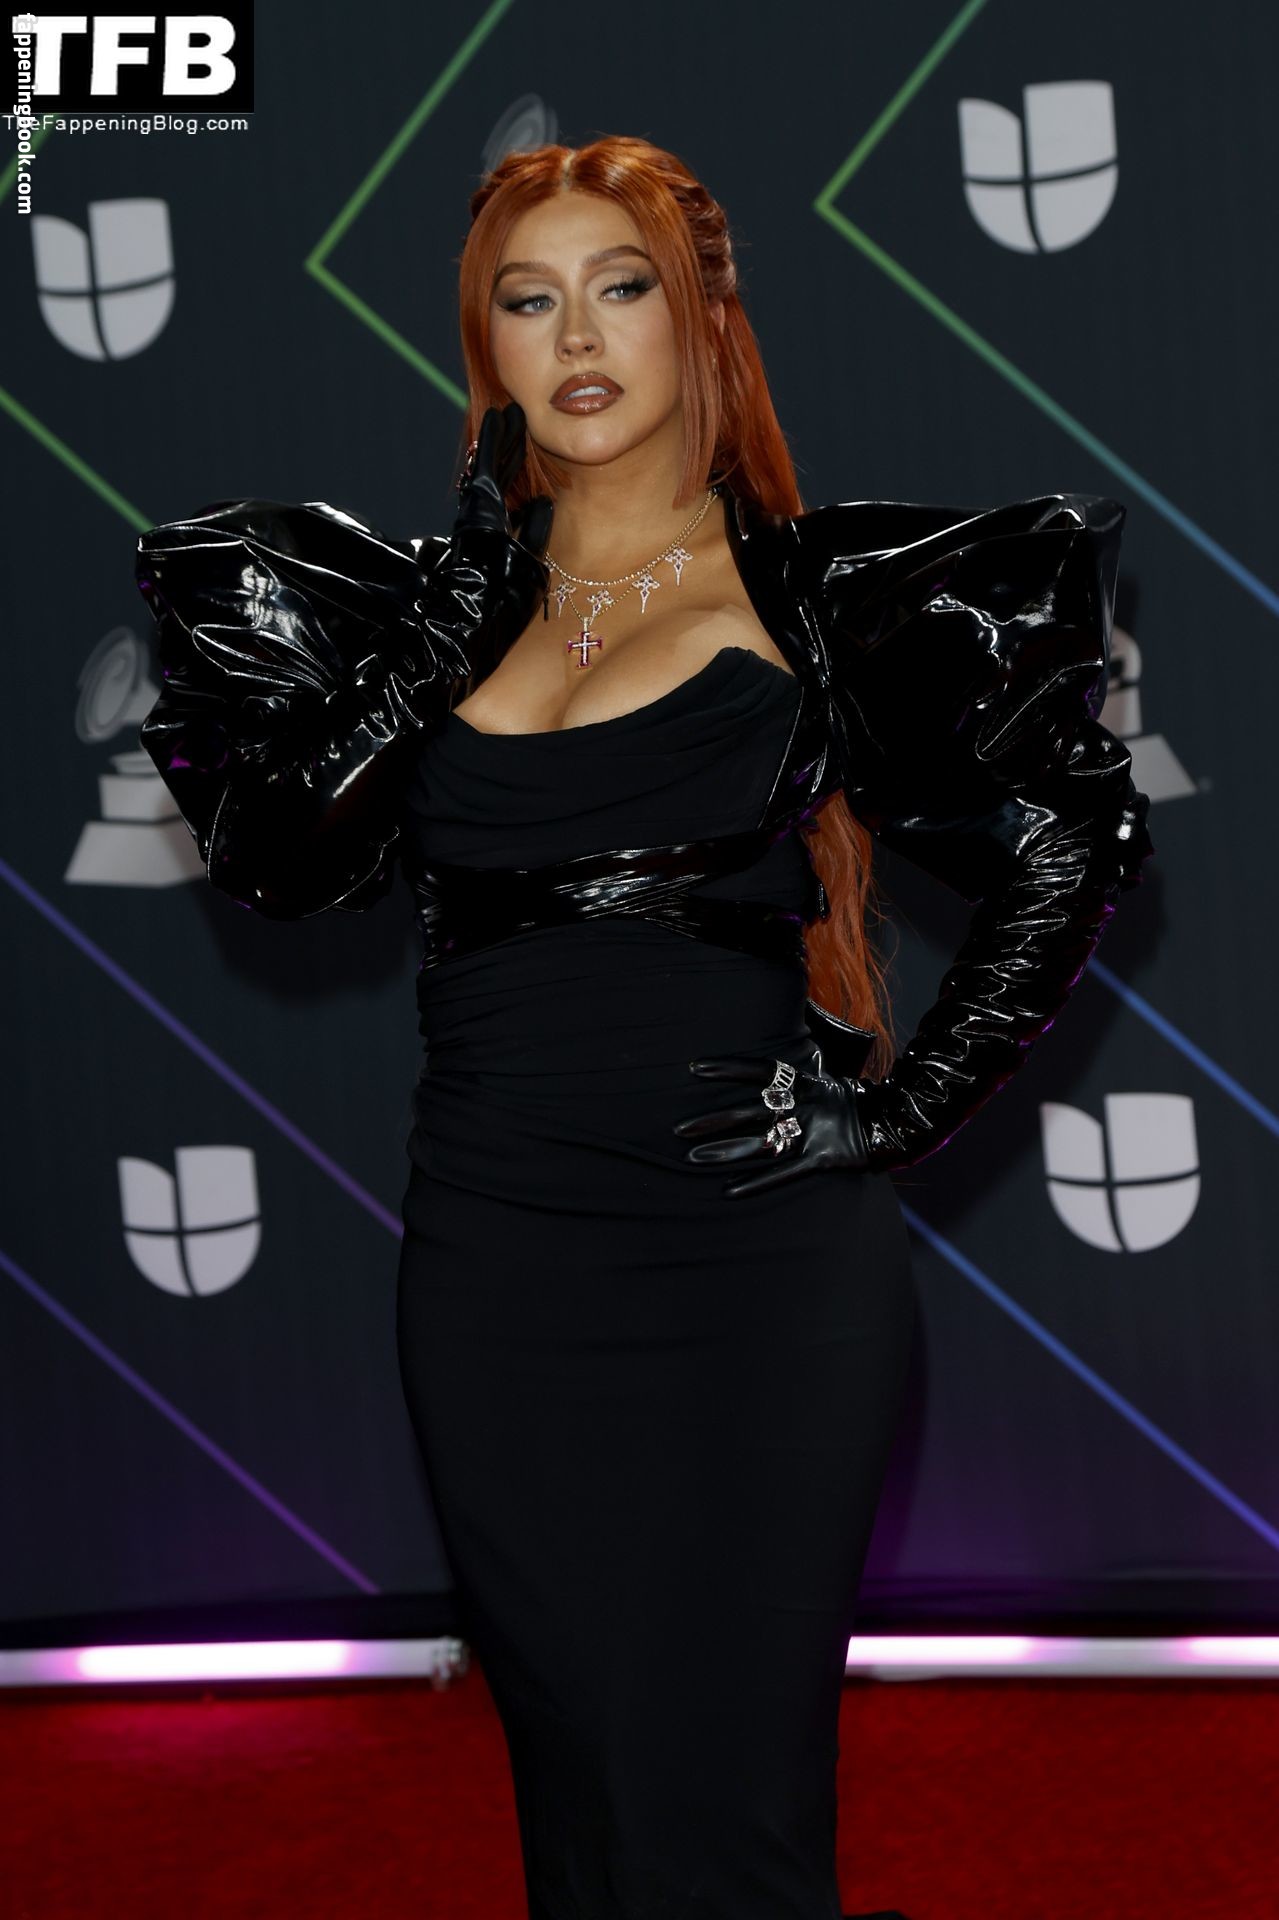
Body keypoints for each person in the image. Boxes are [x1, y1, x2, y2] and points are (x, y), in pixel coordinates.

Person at [133, 136, 1153, 1920]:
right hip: (496, 1265)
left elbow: (1073, 840)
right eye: (528, 301)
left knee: (727, 1799)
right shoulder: (419, 614)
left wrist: (903, 1110)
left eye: (622, 288)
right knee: (586, 1788)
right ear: (486, 346)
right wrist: (439, 634)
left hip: (758, 1270)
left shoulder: (818, 593)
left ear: (702, 319)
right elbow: (281, 862)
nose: (578, 335)